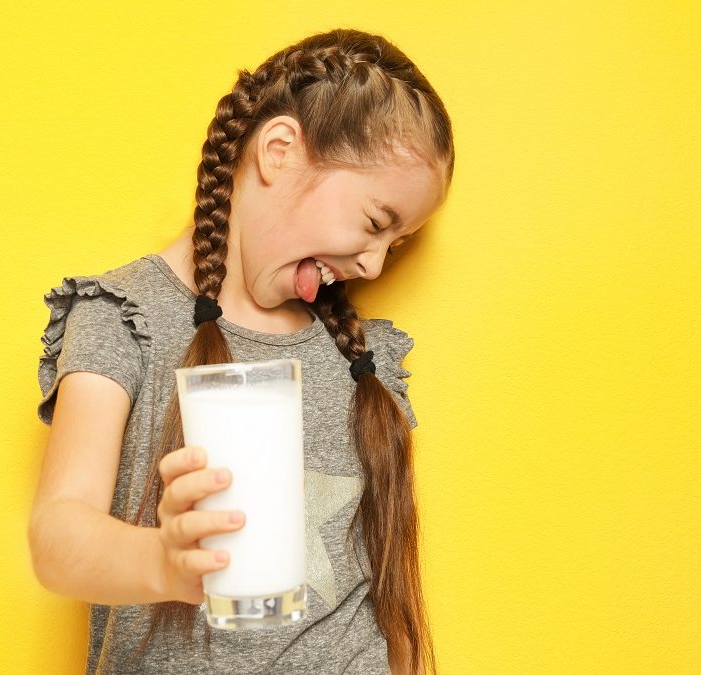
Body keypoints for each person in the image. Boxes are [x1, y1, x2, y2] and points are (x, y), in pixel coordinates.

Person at [29, 27, 455, 674]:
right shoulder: (125, 317)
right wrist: (161, 561)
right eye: (375, 223)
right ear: (278, 151)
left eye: (394, 246)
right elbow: (57, 536)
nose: (372, 263)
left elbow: (390, 614)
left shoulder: (360, 361)